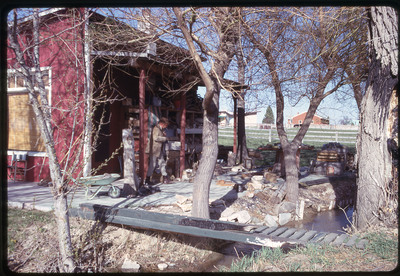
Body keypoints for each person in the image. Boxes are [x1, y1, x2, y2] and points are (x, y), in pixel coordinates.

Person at [145, 117, 171, 185]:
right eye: (165, 125)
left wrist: (163, 135)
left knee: (162, 163)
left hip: (159, 150)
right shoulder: (156, 129)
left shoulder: (160, 129)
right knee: (152, 165)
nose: (166, 127)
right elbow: (155, 138)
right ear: (162, 124)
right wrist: (164, 138)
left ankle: (165, 178)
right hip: (154, 149)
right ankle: (147, 179)